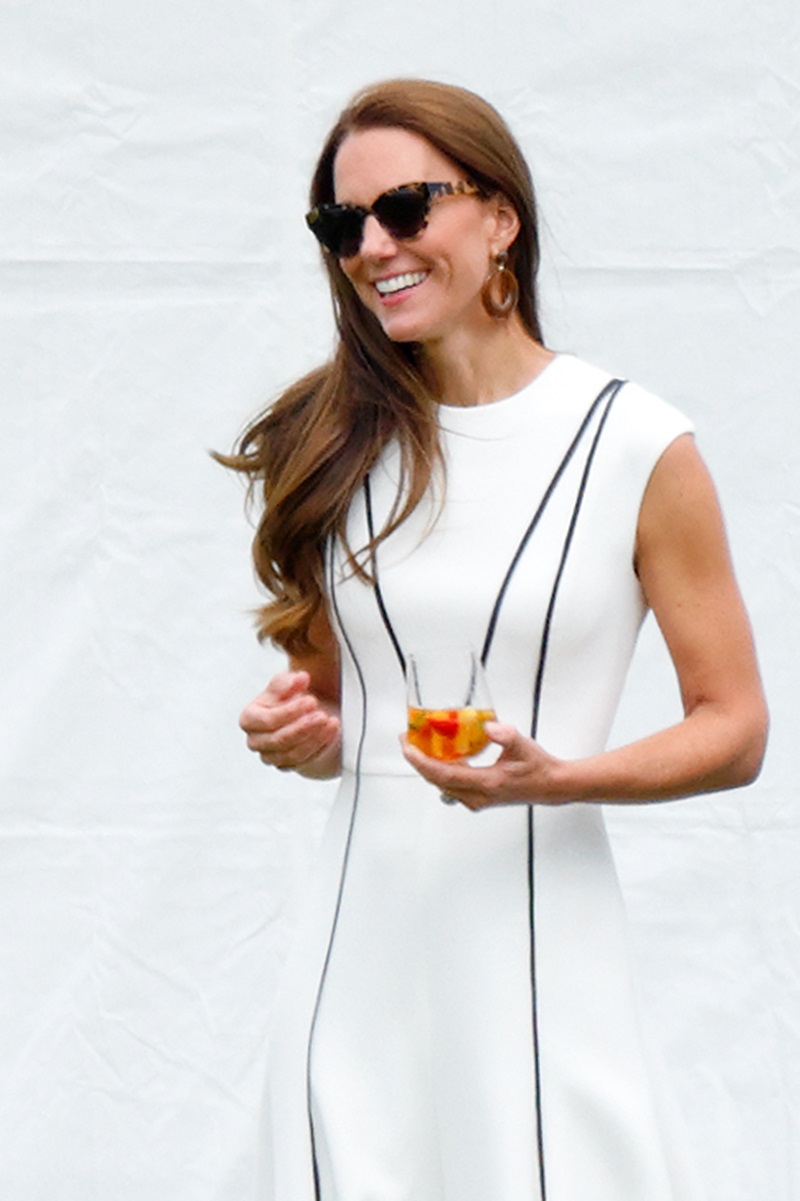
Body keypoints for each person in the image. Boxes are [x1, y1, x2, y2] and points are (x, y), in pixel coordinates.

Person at [222, 79, 768, 1201]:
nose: (372, 246)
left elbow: (735, 726)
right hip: (353, 951)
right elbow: (346, 704)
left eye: (405, 208)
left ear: (498, 217)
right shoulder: (327, 441)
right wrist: (307, 727)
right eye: (342, 224)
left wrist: (556, 777)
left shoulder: (634, 445)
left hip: (541, 948)